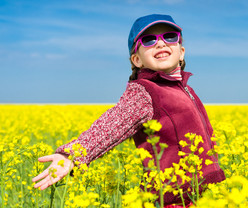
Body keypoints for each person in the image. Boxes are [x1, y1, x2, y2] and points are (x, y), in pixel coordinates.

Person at [32, 14, 225, 207]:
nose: (160, 43)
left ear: (181, 52)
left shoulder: (185, 89)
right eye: (149, 40)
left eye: (170, 36)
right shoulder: (145, 92)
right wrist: (72, 155)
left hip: (204, 195)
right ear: (137, 60)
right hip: (174, 199)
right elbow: (113, 123)